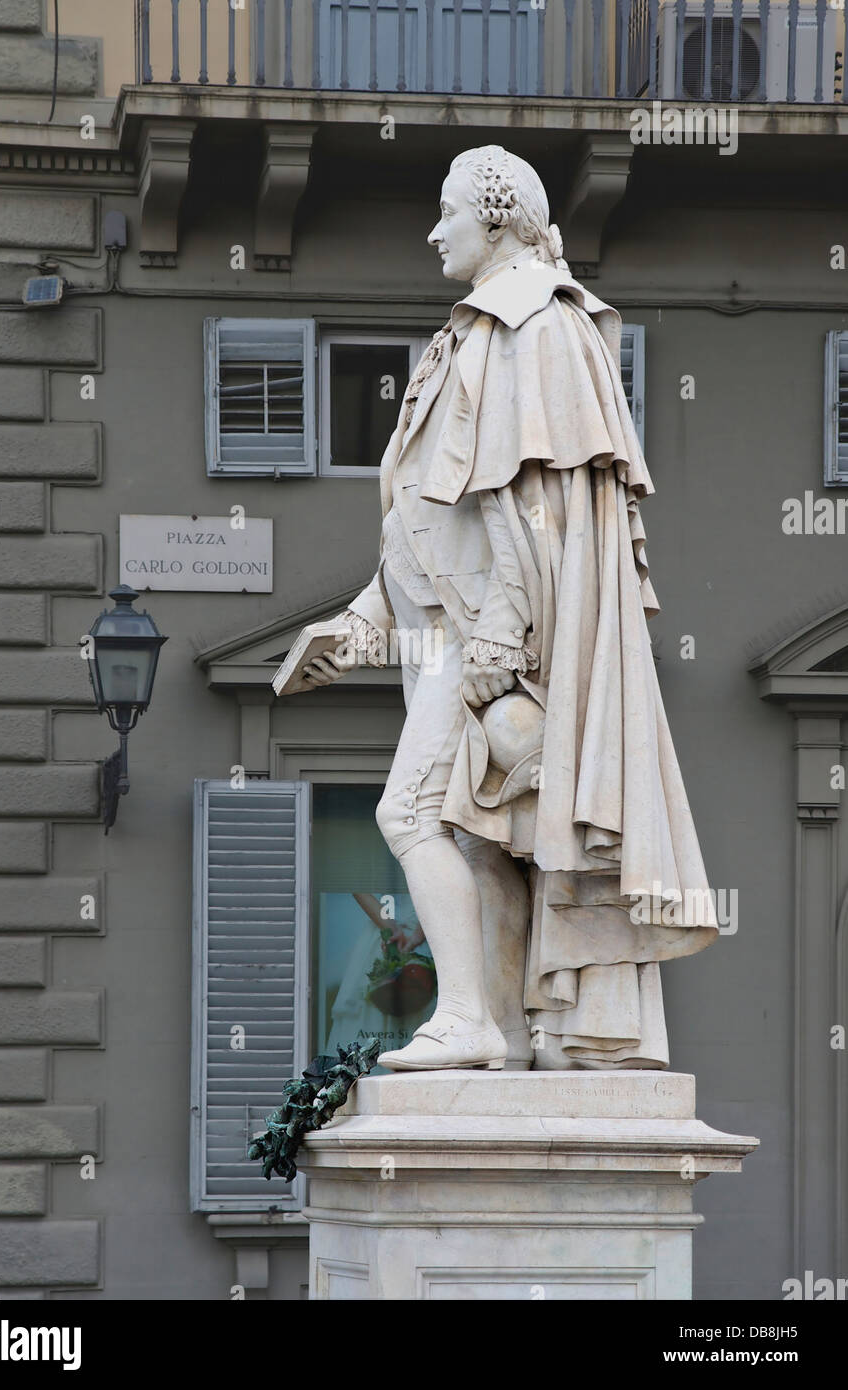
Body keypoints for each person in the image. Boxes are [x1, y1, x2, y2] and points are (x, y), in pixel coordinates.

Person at [296, 145, 717, 1072]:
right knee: (487, 836)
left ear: (495, 220)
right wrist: (358, 626)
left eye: (446, 212)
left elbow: (535, 500)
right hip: (450, 632)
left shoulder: (537, 321)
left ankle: (467, 1019)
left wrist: (500, 627)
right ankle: (519, 1029)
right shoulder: (475, 332)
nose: (432, 230)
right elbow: (429, 523)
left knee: (411, 817)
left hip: (486, 641)